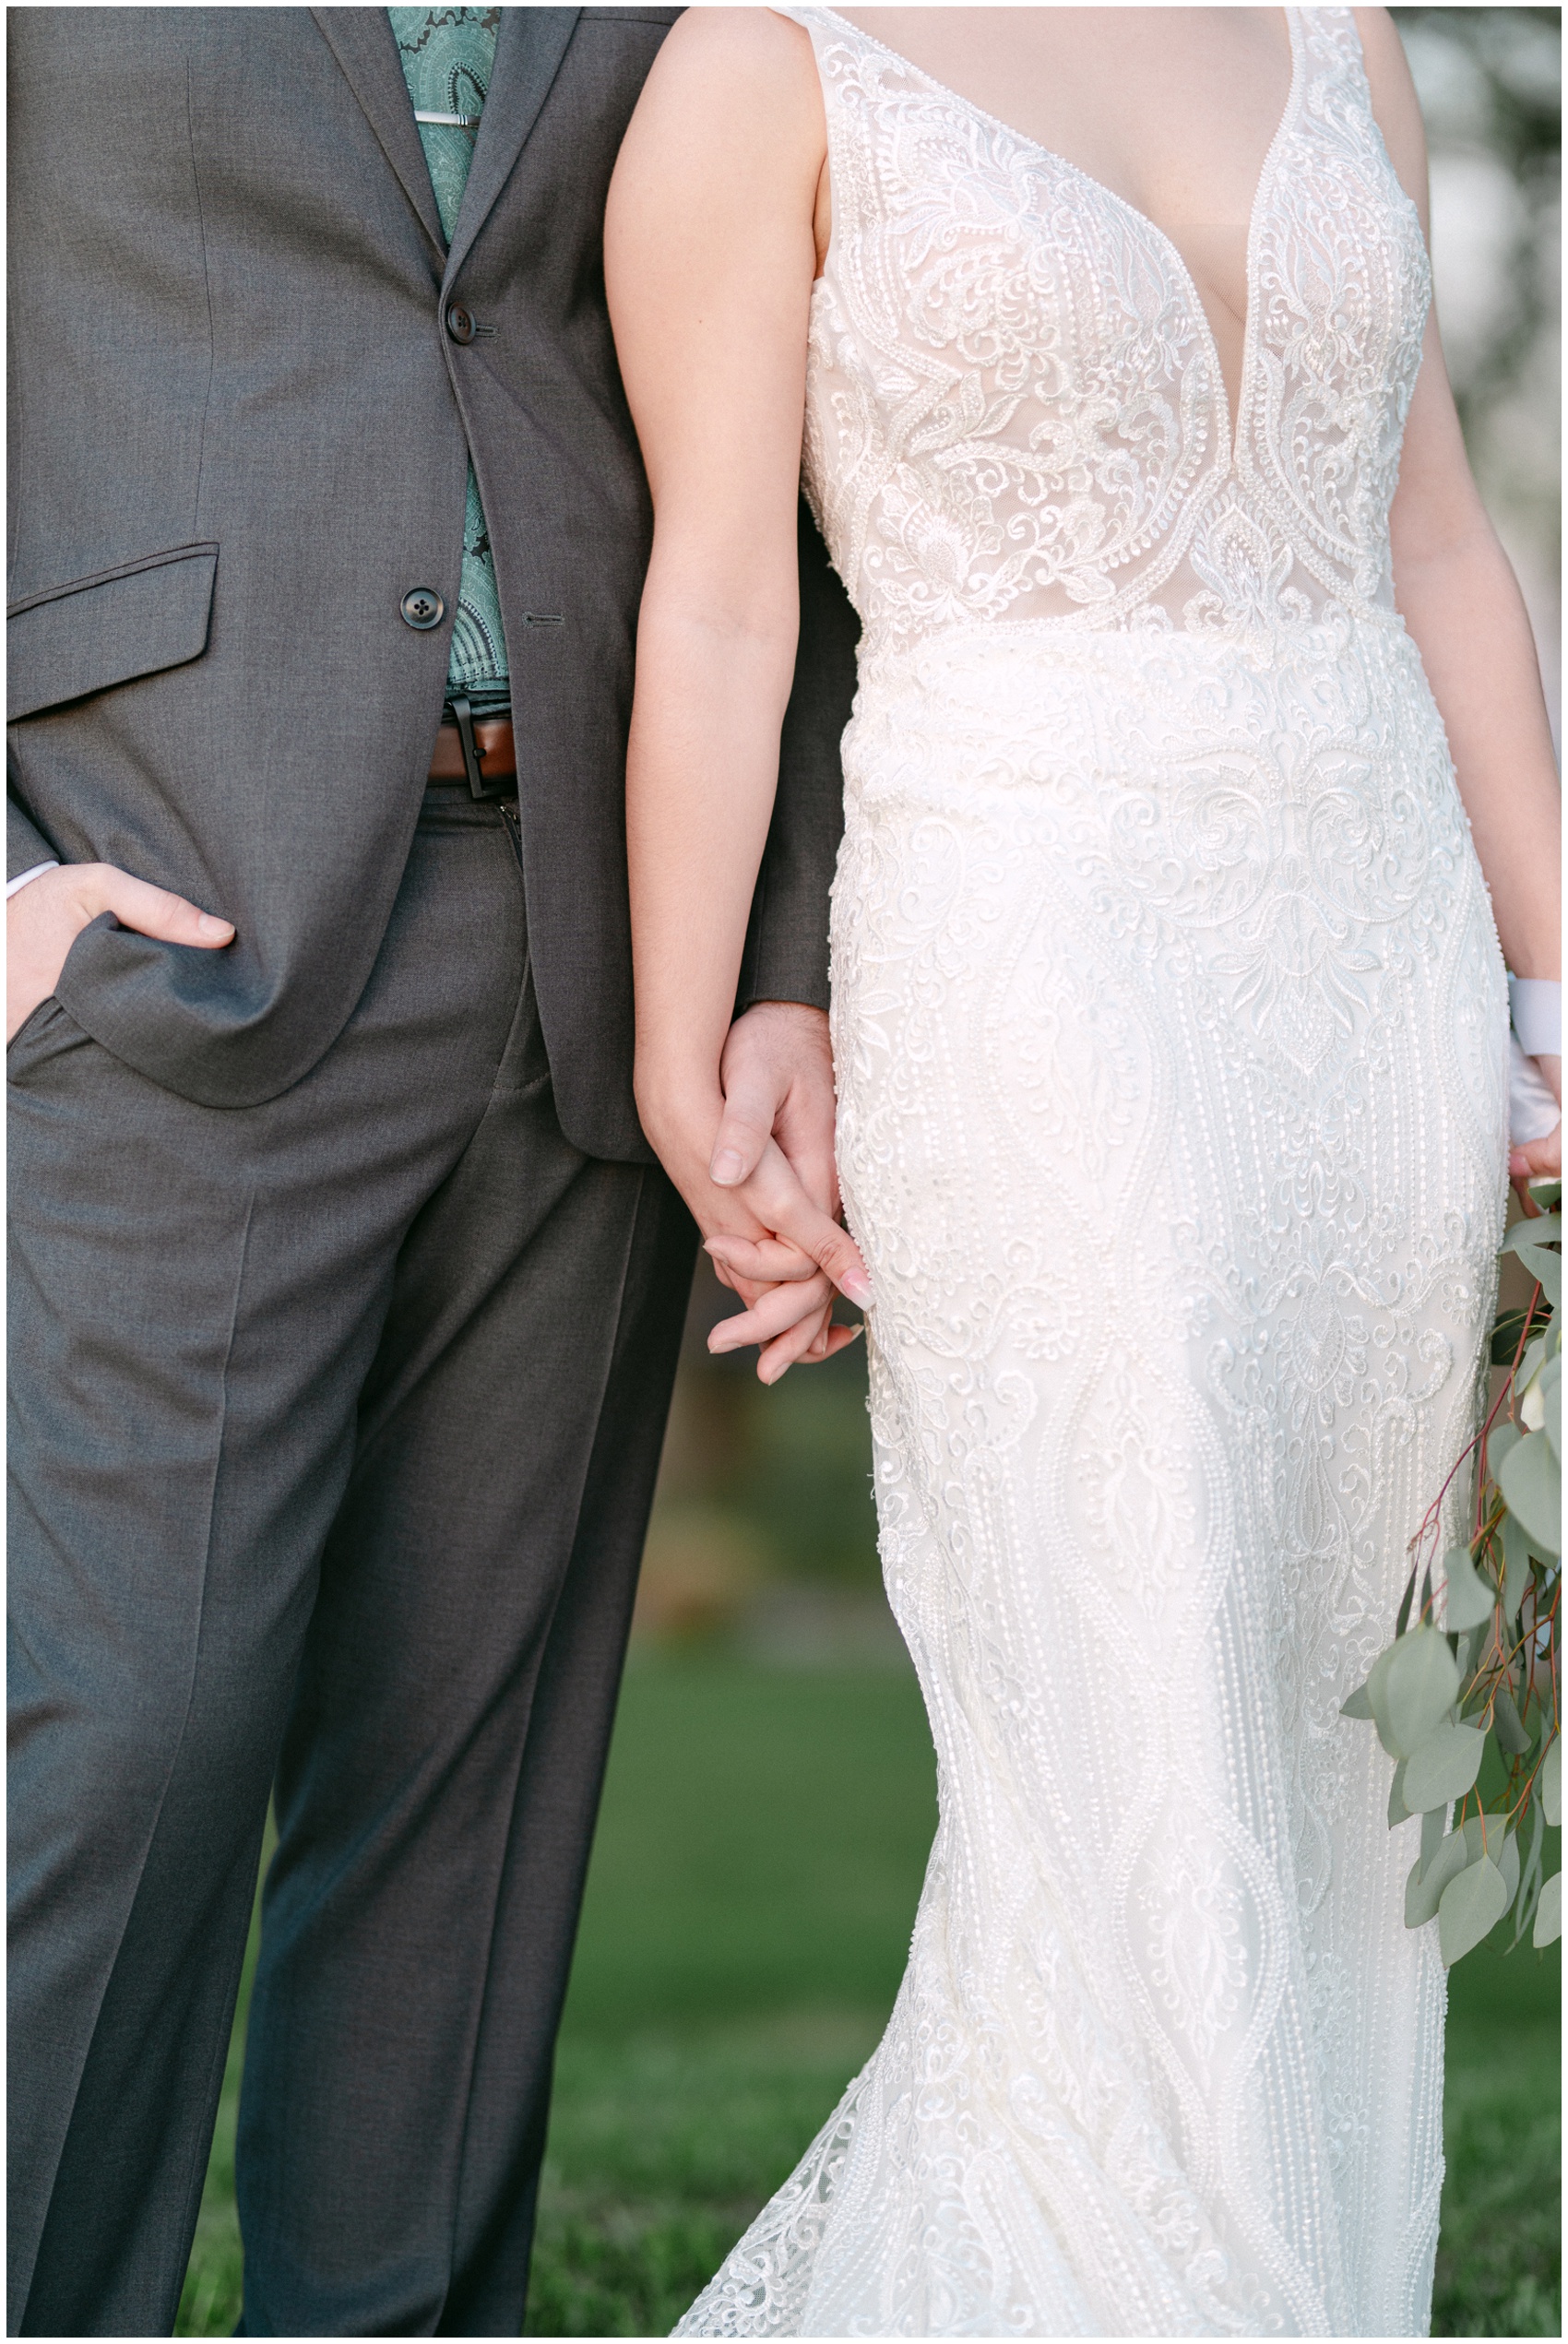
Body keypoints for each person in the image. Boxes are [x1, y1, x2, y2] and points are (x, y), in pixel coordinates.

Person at [606, 6, 1562, 2333]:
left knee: (1344, 1745)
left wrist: (1552, 988)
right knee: (1124, 1702)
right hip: (1033, 947)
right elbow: (723, 599)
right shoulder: (761, 66)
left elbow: (1429, 536)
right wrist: (673, 1042)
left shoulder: (1335, 27)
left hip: (1373, 968)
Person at [6, 8, 863, 2335]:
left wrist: (781, 940)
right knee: (113, 1757)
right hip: (168, 914)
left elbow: (786, 430)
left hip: (605, 918)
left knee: (466, 1810)